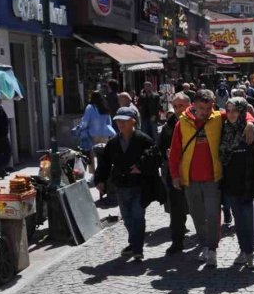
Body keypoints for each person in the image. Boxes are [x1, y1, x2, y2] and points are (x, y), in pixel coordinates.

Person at [168, 89, 254, 267]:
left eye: (209, 108)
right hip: (189, 178)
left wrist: (250, 122)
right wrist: (175, 175)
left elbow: (239, 115)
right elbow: (175, 152)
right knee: (197, 215)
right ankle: (204, 243)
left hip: (213, 177)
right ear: (194, 105)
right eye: (201, 108)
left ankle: (212, 248)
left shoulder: (217, 117)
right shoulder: (182, 123)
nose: (205, 112)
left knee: (213, 214)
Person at [94, 107, 159, 261]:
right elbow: (105, 163)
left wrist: (141, 167)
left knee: (138, 216)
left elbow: (155, 158)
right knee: (127, 217)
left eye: (124, 121)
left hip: (139, 185)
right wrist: (100, 180)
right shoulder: (114, 142)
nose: (120, 124)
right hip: (121, 185)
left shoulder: (143, 139)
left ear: (133, 121)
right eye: (118, 121)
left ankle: (137, 249)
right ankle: (133, 243)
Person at [221, 97, 254, 269]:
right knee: (238, 222)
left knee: (247, 221)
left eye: (235, 110)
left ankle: (249, 253)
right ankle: (243, 250)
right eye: (228, 110)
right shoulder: (223, 128)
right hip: (230, 184)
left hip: (249, 183)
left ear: (242, 111)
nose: (230, 114)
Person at [158, 92, 190, 255]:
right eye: (175, 106)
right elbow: (161, 146)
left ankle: (206, 240)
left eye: (181, 106)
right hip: (176, 172)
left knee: (199, 207)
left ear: (188, 105)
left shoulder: (196, 121)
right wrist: (166, 153)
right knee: (176, 209)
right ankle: (177, 241)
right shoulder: (168, 126)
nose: (178, 109)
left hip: (195, 172)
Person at [77, 91, 115, 175]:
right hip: (105, 133)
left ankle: (94, 174)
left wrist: (80, 128)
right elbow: (109, 122)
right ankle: (103, 172)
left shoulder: (90, 107)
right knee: (103, 154)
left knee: (91, 154)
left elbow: (85, 121)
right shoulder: (105, 107)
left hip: (92, 134)